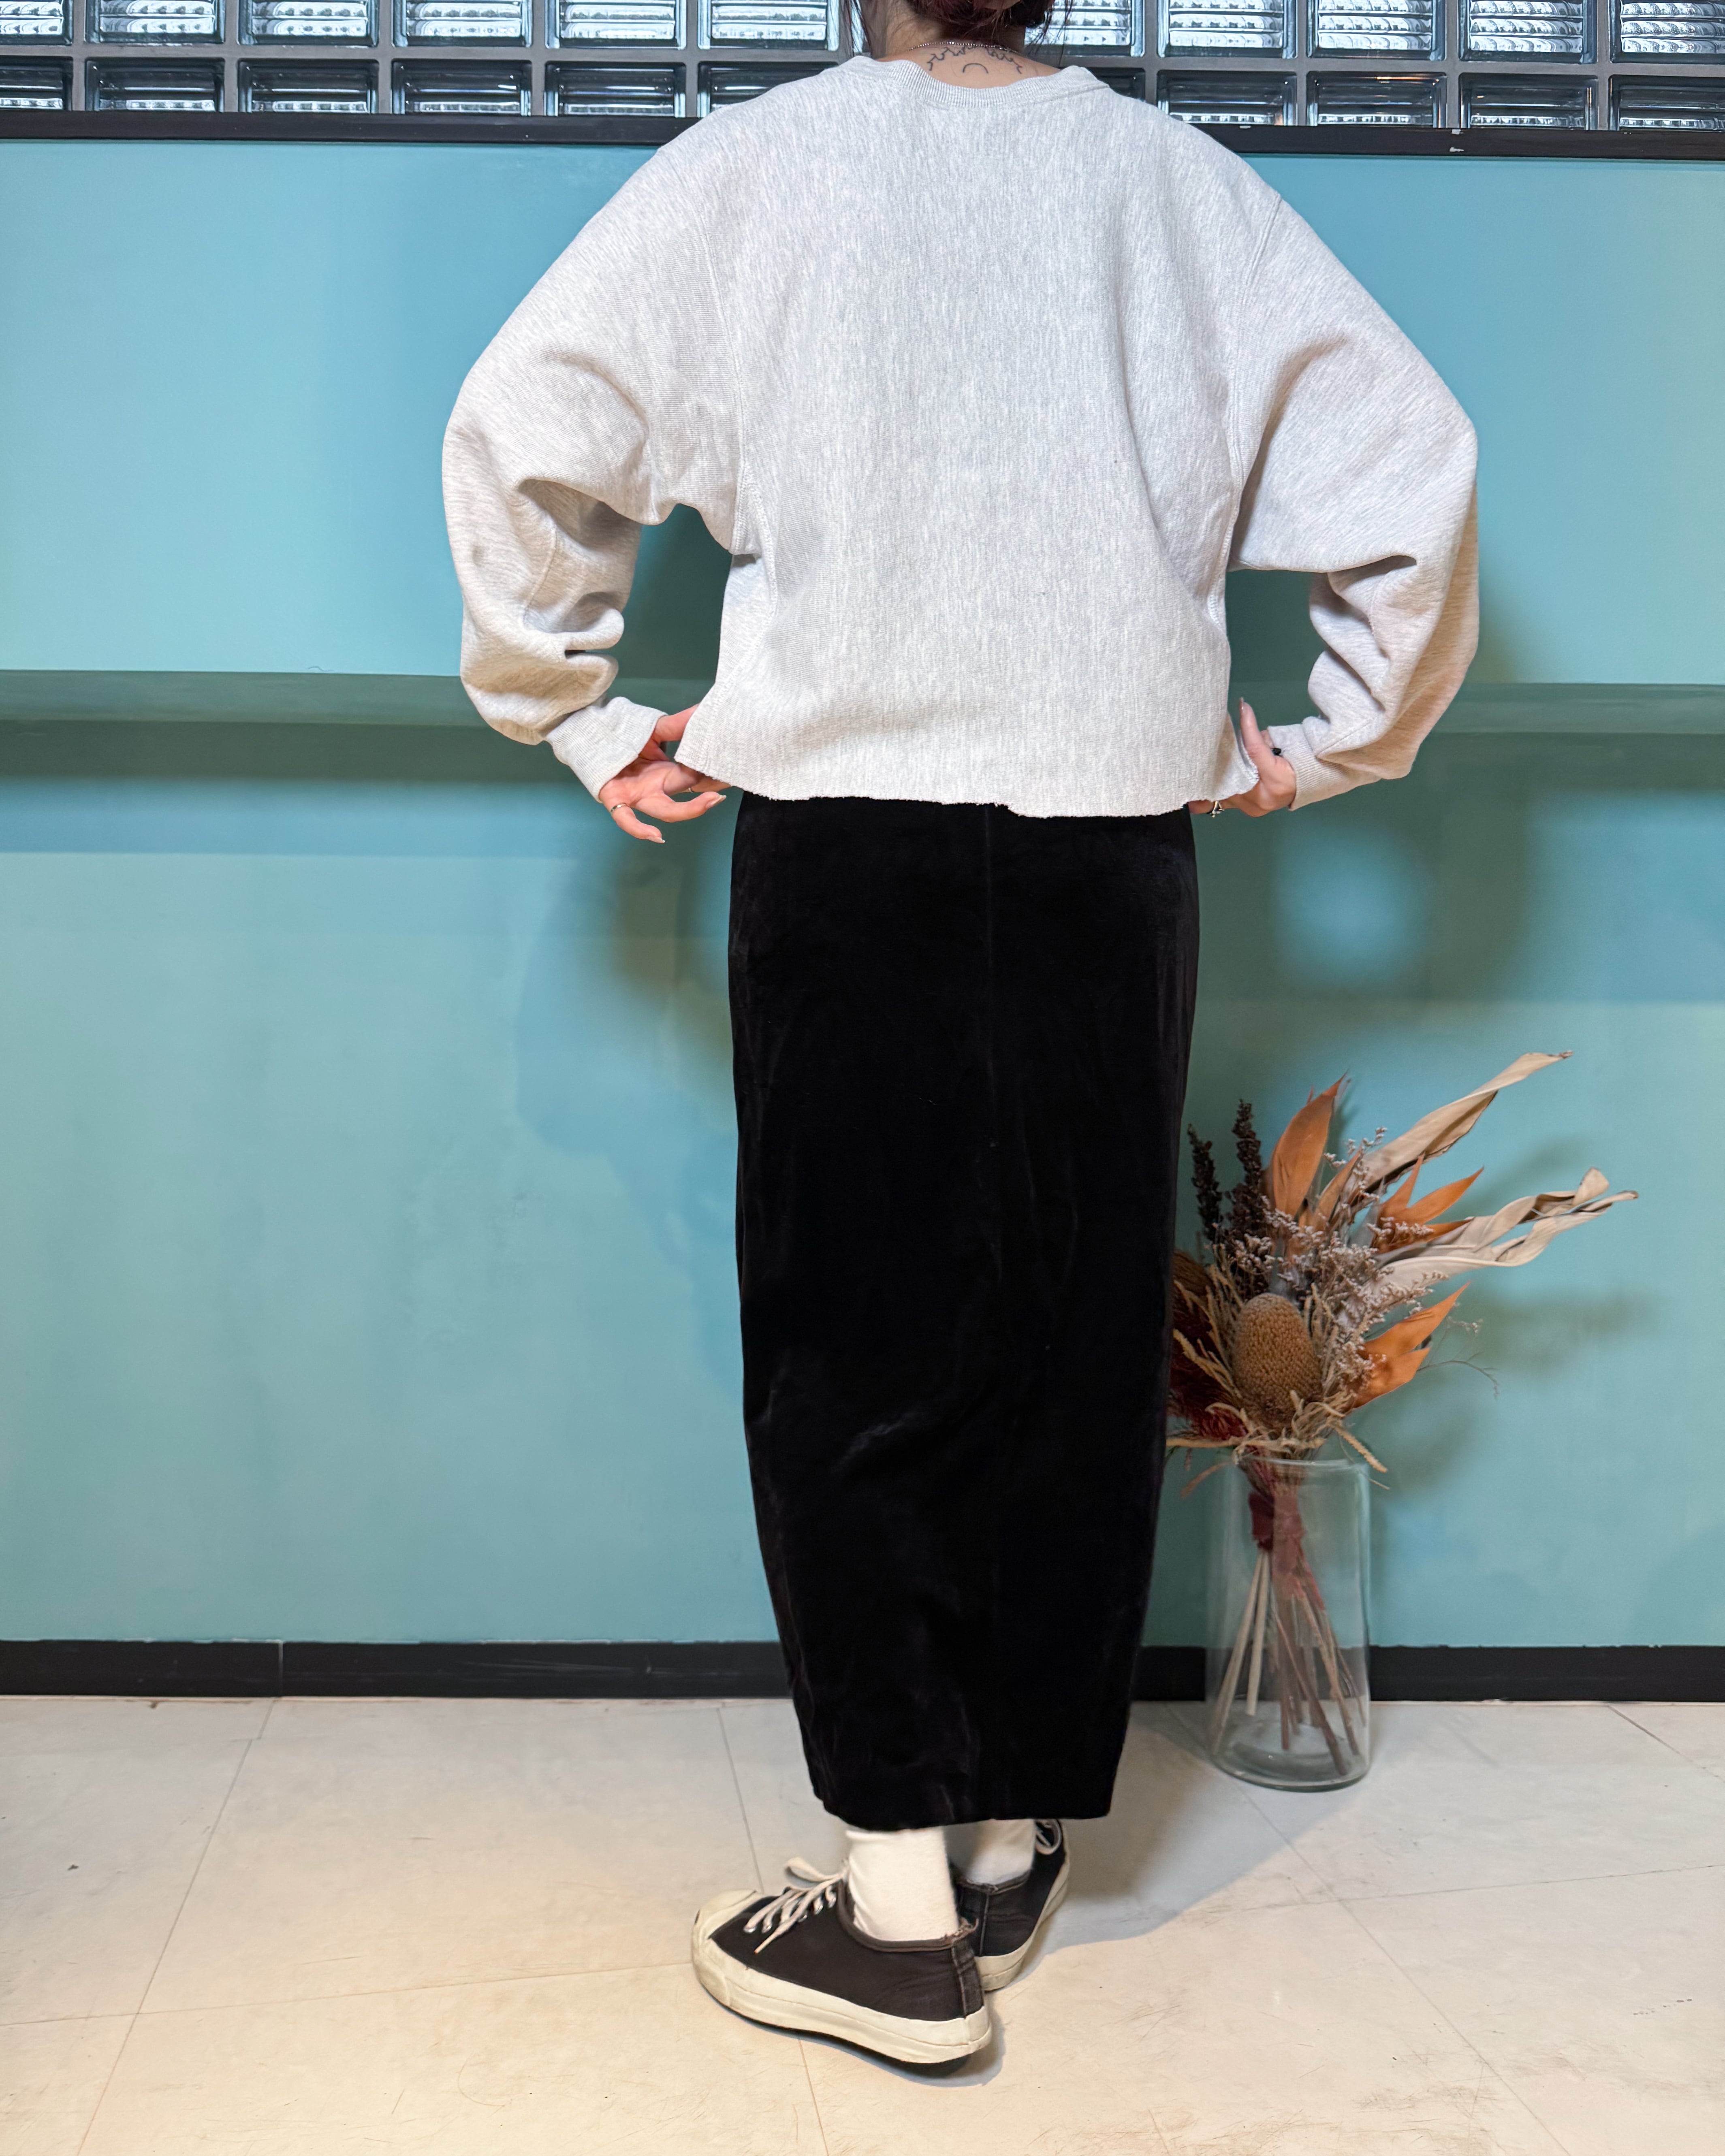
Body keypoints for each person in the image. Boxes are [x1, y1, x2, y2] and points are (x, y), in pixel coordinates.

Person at [442, 0, 1477, 2068]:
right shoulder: (1175, 190)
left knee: (857, 1345)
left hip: (851, 843)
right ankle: (1005, 1839)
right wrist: (1340, 737)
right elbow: (1413, 465)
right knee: (1065, 1338)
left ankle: (895, 1909)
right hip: (1112, 851)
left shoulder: (760, 172)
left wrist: (570, 700)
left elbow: (525, 417)